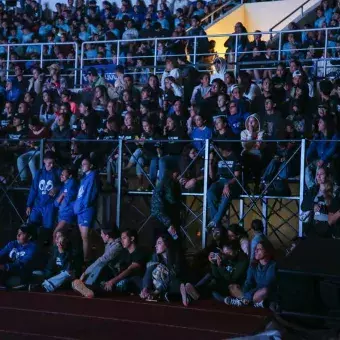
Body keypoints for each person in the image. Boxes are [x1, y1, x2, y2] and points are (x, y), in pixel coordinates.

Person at [222, 240, 277, 308]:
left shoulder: (273, 265)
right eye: (255, 249)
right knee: (232, 287)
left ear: (267, 251)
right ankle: (249, 302)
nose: (256, 251)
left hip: (263, 293)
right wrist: (245, 294)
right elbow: (248, 282)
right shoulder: (253, 265)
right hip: (253, 293)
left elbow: (266, 284)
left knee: (265, 291)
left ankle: (243, 302)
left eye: (259, 249)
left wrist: (249, 295)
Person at [72, 227, 123, 298]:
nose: (101, 236)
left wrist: (86, 272)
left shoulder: (117, 246)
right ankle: (87, 287)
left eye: (102, 234)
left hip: (114, 274)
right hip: (109, 272)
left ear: (107, 236)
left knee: (100, 265)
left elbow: (102, 260)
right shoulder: (110, 244)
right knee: (98, 266)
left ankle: (90, 288)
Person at [140, 234, 187, 303]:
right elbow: (149, 271)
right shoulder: (155, 256)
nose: (156, 246)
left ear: (167, 244)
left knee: (176, 284)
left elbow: (172, 275)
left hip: (176, 282)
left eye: (159, 243)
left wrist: (157, 291)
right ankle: (165, 295)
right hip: (162, 286)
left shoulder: (176, 256)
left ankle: (178, 295)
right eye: (156, 244)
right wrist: (145, 288)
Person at [26, 151, 61, 242]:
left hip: (49, 205)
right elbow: (33, 189)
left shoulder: (58, 172)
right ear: (44, 161)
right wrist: (29, 204)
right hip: (38, 203)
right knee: (32, 224)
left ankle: (46, 248)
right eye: (49, 163)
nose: (51, 165)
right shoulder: (39, 173)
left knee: (48, 228)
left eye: (53, 163)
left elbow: (64, 185)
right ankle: (32, 246)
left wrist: (56, 188)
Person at [207, 143, 241, 229]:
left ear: (221, 148)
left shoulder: (235, 156)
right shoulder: (217, 157)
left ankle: (215, 222)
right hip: (220, 181)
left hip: (232, 182)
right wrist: (210, 163)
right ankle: (216, 221)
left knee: (226, 195)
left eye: (215, 149)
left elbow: (237, 176)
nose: (214, 151)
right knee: (210, 192)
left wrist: (227, 184)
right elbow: (212, 177)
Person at [101, 229, 146, 294]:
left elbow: (130, 270)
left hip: (137, 281)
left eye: (124, 238)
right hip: (126, 280)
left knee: (123, 282)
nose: (122, 241)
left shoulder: (139, 252)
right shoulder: (124, 253)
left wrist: (112, 281)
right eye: (121, 238)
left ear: (132, 238)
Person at [74, 158, 100, 263]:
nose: (83, 166)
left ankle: (86, 260)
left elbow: (90, 194)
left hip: (86, 209)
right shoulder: (84, 178)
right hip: (80, 209)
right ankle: (95, 253)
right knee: (85, 236)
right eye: (82, 164)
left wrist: (84, 205)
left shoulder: (93, 176)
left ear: (91, 165)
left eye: (85, 164)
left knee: (85, 236)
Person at [0, 224, 38, 288]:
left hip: (21, 275)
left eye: (22, 233)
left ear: (29, 237)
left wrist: (6, 266)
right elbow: (1, 253)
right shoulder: (12, 244)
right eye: (18, 232)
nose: (18, 235)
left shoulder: (33, 248)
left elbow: (23, 264)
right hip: (8, 272)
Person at [301, 166, 334, 238]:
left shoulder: (333, 191)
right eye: (317, 174)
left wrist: (322, 207)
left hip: (327, 227)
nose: (318, 176)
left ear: (327, 176)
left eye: (321, 174)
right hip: (313, 226)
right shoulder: (313, 190)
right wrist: (313, 206)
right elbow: (303, 206)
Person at [151, 168, 182, 240]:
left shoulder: (167, 183)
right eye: (177, 174)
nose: (179, 176)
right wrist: (169, 223)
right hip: (164, 220)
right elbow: (171, 200)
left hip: (165, 219)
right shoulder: (168, 183)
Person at [54, 168, 78, 238]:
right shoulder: (63, 187)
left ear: (70, 176)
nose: (61, 176)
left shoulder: (72, 182)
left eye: (63, 175)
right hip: (61, 215)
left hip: (67, 215)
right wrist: (62, 195)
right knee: (61, 236)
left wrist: (62, 197)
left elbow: (67, 199)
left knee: (56, 234)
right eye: (61, 174)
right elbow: (55, 204)